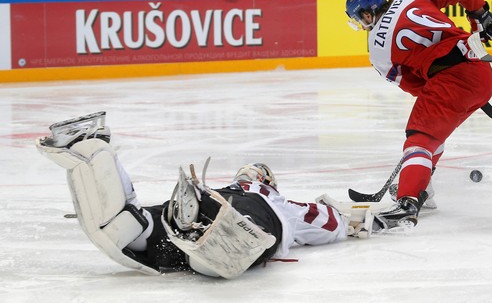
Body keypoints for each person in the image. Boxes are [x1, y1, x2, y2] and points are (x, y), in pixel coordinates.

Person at [35, 112, 378, 278]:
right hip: (240, 227)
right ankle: (196, 229)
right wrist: (352, 221)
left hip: (204, 212)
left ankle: (94, 149)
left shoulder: (227, 189)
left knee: (131, 220)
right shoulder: (274, 198)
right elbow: (325, 221)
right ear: (268, 180)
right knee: (209, 241)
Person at [344, 0, 492, 229]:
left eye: (359, 18)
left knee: (420, 139)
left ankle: (407, 201)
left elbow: (414, 85)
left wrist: (451, 94)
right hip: (481, 69)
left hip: (452, 81)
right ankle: (422, 185)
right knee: (433, 134)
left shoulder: (376, 49)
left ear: (368, 14)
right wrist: (479, 14)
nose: (362, 24)